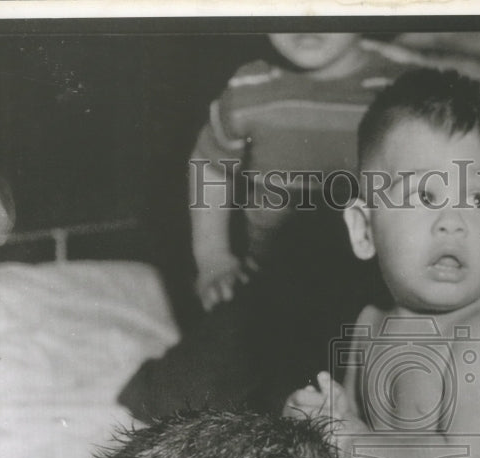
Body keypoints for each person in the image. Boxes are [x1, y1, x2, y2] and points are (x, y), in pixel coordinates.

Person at [283, 69, 480, 458]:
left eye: (477, 199)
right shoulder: (369, 325)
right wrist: (321, 424)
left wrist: (349, 447)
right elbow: (364, 443)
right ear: (364, 228)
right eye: (424, 196)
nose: (452, 221)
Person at [119, 33, 431, 421]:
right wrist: (212, 256)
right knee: (172, 399)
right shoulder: (251, 87)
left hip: (364, 299)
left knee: (345, 406)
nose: (307, 20)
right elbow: (210, 165)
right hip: (266, 291)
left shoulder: (402, 86)